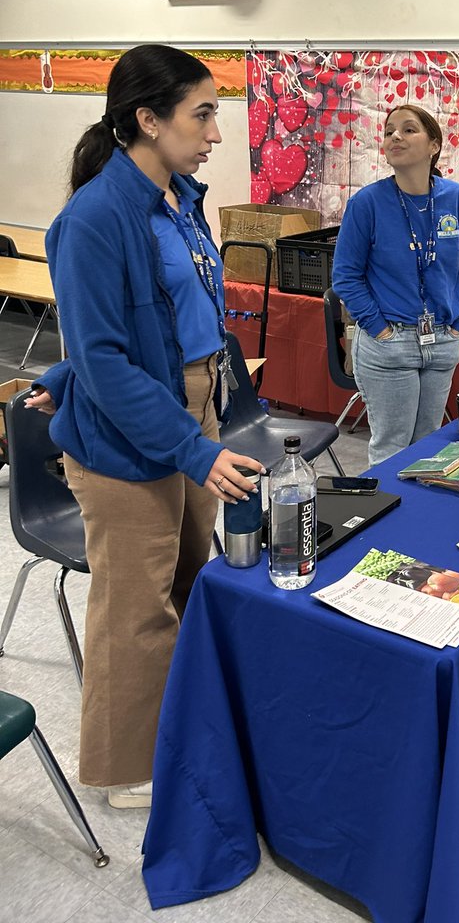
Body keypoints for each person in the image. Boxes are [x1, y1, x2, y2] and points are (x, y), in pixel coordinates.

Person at [26, 44, 264, 808]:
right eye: (203, 115)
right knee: (135, 610)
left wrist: (63, 377)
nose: (216, 134)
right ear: (149, 120)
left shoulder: (178, 199)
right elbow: (103, 357)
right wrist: (190, 446)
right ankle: (126, 770)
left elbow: (156, 322)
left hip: (191, 405)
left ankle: (180, 726)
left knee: (188, 579)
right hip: (132, 435)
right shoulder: (94, 219)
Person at [331, 104, 459, 465]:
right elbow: (345, 277)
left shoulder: (457, 199)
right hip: (390, 343)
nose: (395, 136)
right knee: (392, 450)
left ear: (434, 145)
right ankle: (385, 505)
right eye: (389, 131)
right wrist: (379, 329)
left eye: (409, 129)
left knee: (427, 447)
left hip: (442, 340)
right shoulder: (367, 203)